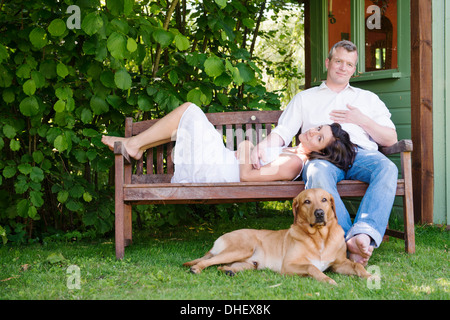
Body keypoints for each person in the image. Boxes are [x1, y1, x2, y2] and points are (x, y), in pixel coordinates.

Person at [251, 40, 399, 266]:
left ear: (354, 70)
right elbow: (283, 131)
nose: (343, 67)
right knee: (317, 173)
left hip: (361, 155)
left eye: (349, 64)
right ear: (328, 63)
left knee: (388, 168)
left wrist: (362, 120)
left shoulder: (367, 99)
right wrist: (263, 146)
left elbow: (390, 139)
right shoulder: (305, 98)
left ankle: (364, 234)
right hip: (323, 158)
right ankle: (346, 239)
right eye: (338, 61)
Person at [102, 102, 356, 185]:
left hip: (218, 170)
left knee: (190, 111)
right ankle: (137, 146)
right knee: (188, 120)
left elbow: (246, 176)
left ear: (321, 153)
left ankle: (135, 145)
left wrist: (246, 146)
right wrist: (244, 151)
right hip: (223, 159)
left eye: (319, 138)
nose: (312, 132)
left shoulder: (292, 165)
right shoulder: (292, 152)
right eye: (318, 128)